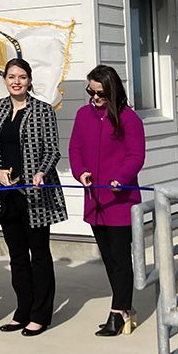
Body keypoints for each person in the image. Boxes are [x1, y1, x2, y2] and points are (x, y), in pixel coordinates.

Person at [0, 59, 68, 337]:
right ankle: (22, 310)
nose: (16, 81)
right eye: (11, 76)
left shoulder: (42, 110)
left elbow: (52, 150)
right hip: (6, 195)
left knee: (39, 255)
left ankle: (41, 314)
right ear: (4, 79)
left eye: (22, 77)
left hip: (35, 194)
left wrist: (41, 172)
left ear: (30, 80)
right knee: (17, 257)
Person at [68, 64, 146, 337]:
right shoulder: (82, 115)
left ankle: (119, 310)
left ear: (112, 91)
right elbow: (75, 148)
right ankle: (123, 306)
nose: (95, 97)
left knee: (121, 258)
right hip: (95, 200)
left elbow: (136, 156)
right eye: (91, 91)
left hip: (120, 201)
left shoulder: (128, 119)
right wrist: (81, 173)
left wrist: (121, 178)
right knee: (109, 259)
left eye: (100, 93)